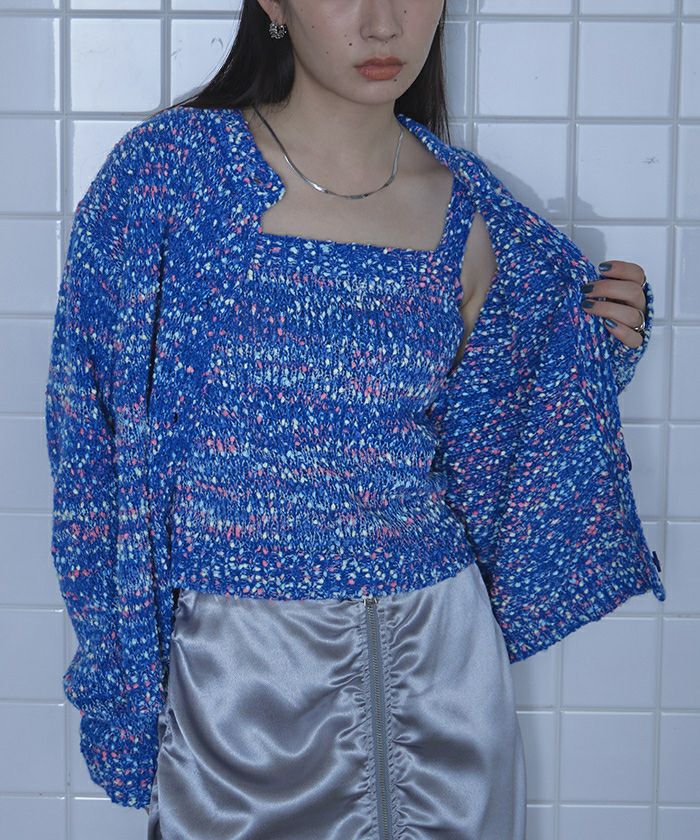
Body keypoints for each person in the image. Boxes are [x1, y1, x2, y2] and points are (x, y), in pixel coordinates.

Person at [45, 1, 663, 838]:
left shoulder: (469, 209)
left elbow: (498, 449)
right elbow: (87, 435)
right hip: (239, 689)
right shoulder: (173, 176)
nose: (382, 24)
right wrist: (119, 682)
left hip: (443, 673)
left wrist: (591, 357)